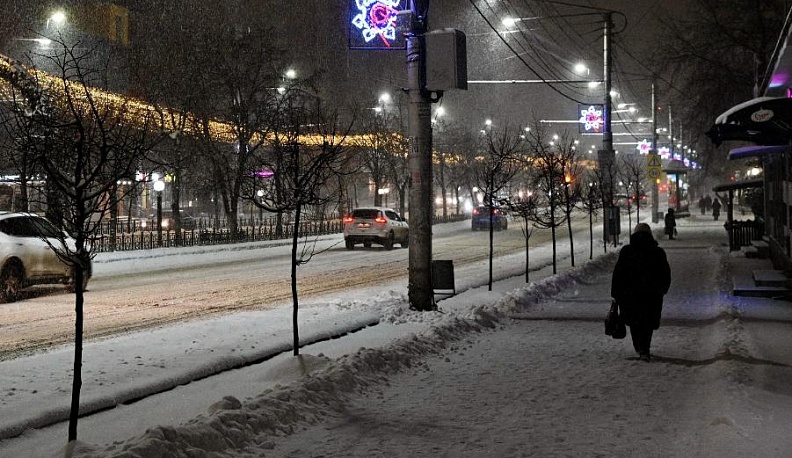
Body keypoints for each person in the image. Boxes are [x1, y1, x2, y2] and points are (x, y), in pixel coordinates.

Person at [611, 223, 672, 361]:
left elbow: (619, 273)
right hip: (652, 295)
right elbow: (665, 273)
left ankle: (639, 346)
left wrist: (616, 293)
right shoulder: (657, 252)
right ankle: (645, 347)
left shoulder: (627, 251)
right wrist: (662, 289)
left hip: (630, 295)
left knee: (634, 321)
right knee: (648, 322)